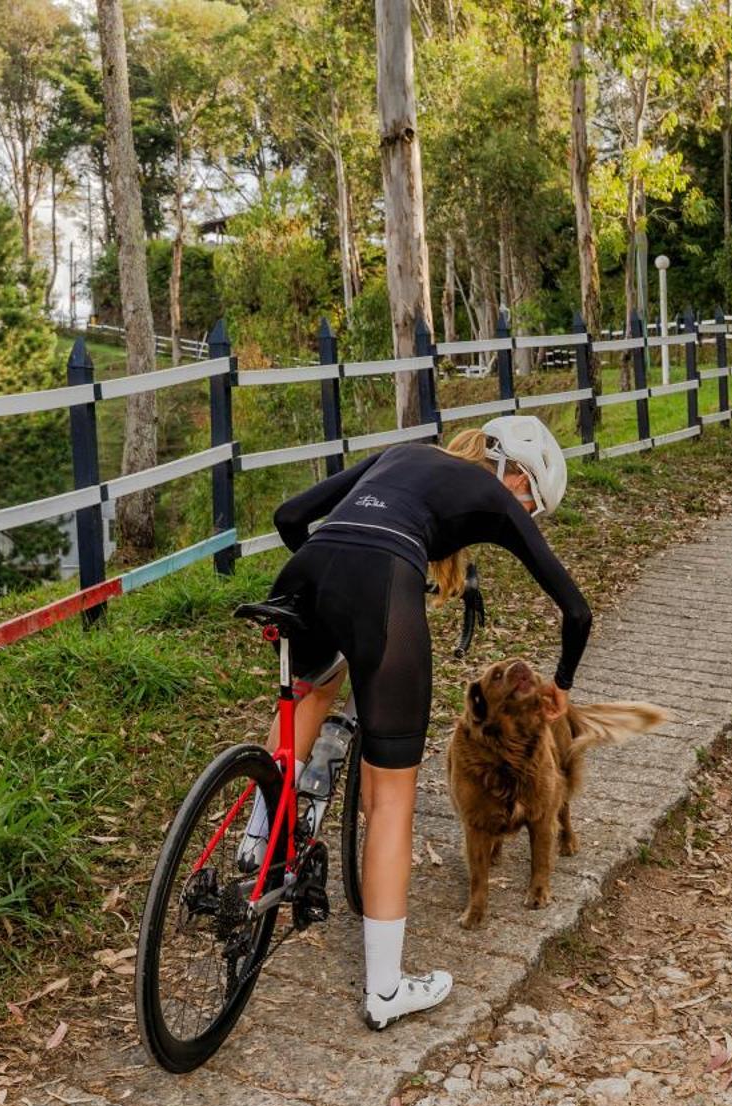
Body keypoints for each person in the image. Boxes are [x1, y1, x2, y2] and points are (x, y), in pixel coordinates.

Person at [243, 416, 591, 1031]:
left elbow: (290, 515)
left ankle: (256, 837)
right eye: (531, 504)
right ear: (516, 475)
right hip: (380, 583)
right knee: (393, 793)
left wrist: (336, 587)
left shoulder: (402, 451)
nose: (525, 516)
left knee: (312, 691)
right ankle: (385, 990)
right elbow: (576, 610)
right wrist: (560, 684)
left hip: (309, 570)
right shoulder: (494, 498)